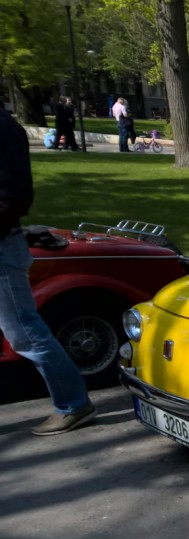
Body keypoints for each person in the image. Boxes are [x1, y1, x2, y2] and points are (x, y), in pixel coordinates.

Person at [0, 104, 96, 435]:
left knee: (24, 332)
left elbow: (13, 197)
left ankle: (73, 404)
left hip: (2, 246)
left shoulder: (4, 129)